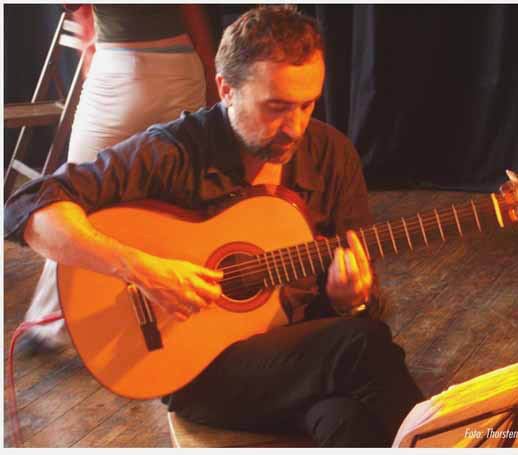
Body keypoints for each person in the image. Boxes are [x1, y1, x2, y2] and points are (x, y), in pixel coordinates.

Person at [5, 6, 423, 446]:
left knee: (347, 419)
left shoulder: (331, 156)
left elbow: (362, 305)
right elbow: (27, 207)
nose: (295, 127)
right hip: (198, 370)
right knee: (362, 345)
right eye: (276, 107)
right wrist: (142, 270)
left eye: (307, 104)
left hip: (299, 356)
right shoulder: (174, 151)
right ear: (226, 89)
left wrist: (349, 301)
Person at [24, 4, 218, 348]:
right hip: (183, 66)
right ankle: (181, 316)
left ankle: (49, 322)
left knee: (69, 197)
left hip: (122, 70)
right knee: (174, 206)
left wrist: (86, 27)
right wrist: (207, 69)